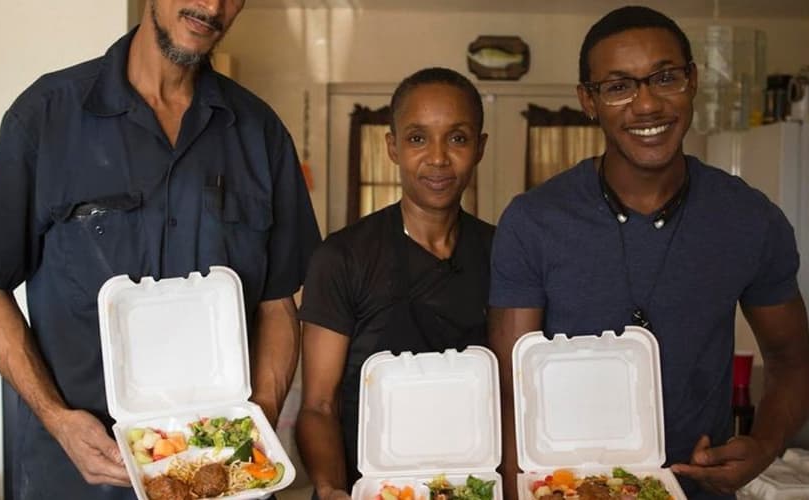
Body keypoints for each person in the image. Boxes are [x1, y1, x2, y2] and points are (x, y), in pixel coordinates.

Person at [0, 1, 320, 498]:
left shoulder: (262, 134)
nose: (212, 5)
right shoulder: (45, 116)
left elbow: (280, 303)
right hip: (75, 477)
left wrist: (253, 425)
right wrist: (56, 418)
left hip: (220, 477)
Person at [488, 6, 809, 500]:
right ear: (588, 101)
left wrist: (765, 444)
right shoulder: (534, 221)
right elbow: (512, 390)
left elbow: (792, 359)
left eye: (665, 78)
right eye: (618, 86)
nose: (646, 105)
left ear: (693, 81)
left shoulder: (750, 220)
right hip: (565, 490)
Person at [296, 67, 494, 499]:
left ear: (479, 148)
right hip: (366, 487)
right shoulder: (343, 257)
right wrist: (330, 487)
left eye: (457, 138)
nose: (438, 158)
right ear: (393, 147)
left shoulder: (502, 253)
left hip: (469, 485)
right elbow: (317, 405)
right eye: (418, 138)